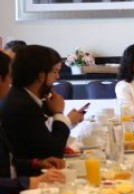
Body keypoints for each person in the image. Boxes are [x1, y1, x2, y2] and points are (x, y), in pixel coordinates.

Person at [0, 45, 80, 175]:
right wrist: (59, 114)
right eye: (55, 71)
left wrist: (36, 163)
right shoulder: (23, 105)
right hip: (23, 181)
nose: (58, 77)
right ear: (41, 76)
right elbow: (53, 152)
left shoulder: (24, 98)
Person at [0, 52, 64, 194]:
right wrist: (29, 182)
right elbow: (54, 150)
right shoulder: (20, 104)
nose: (11, 83)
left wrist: (36, 163)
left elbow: (7, 161)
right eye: (9, 76)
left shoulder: (18, 99)